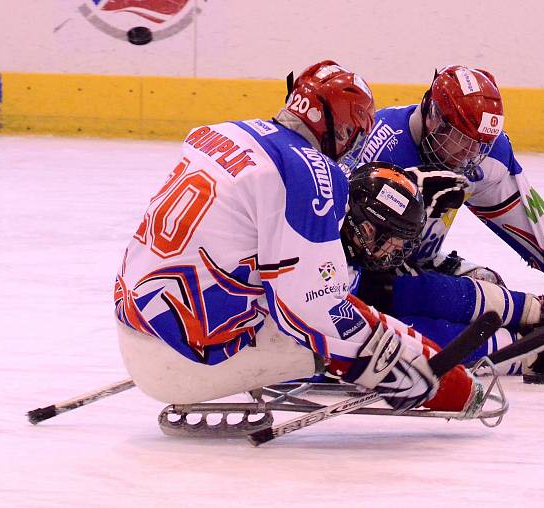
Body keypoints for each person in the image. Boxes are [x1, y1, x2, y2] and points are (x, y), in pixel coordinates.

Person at [113, 60, 483, 415]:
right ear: (340, 130)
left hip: (136, 320)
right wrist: (409, 369)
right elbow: (310, 306)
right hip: (191, 356)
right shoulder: (310, 171)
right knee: (335, 314)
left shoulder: (222, 132)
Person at [345, 65, 544, 311]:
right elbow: (337, 238)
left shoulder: (484, 154)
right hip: (364, 276)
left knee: (489, 289)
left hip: (420, 263)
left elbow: (532, 220)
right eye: (462, 139)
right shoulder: (380, 146)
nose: (472, 153)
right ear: (434, 118)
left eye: (482, 144)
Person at [340, 161, 544, 378]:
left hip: (351, 287)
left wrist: (412, 182)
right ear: (364, 229)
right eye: (392, 242)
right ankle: (531, 352)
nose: (398, 252)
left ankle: (536, 310)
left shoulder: (341, 211)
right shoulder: (322, 247)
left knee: (422, 291)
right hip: (326, 317)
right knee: (414, 337)